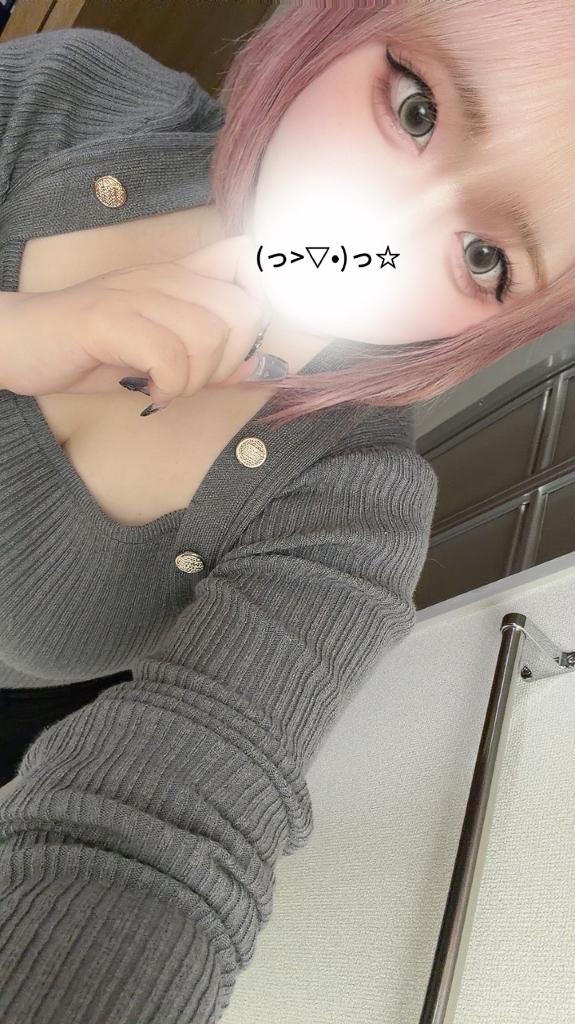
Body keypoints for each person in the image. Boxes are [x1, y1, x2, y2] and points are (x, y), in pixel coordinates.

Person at [0, 1, 572, 1021]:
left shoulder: (349, 511)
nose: (385, 233)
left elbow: (163, 839)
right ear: (338, 24)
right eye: (414, 108)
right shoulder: (69, 100)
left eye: (484, 255)